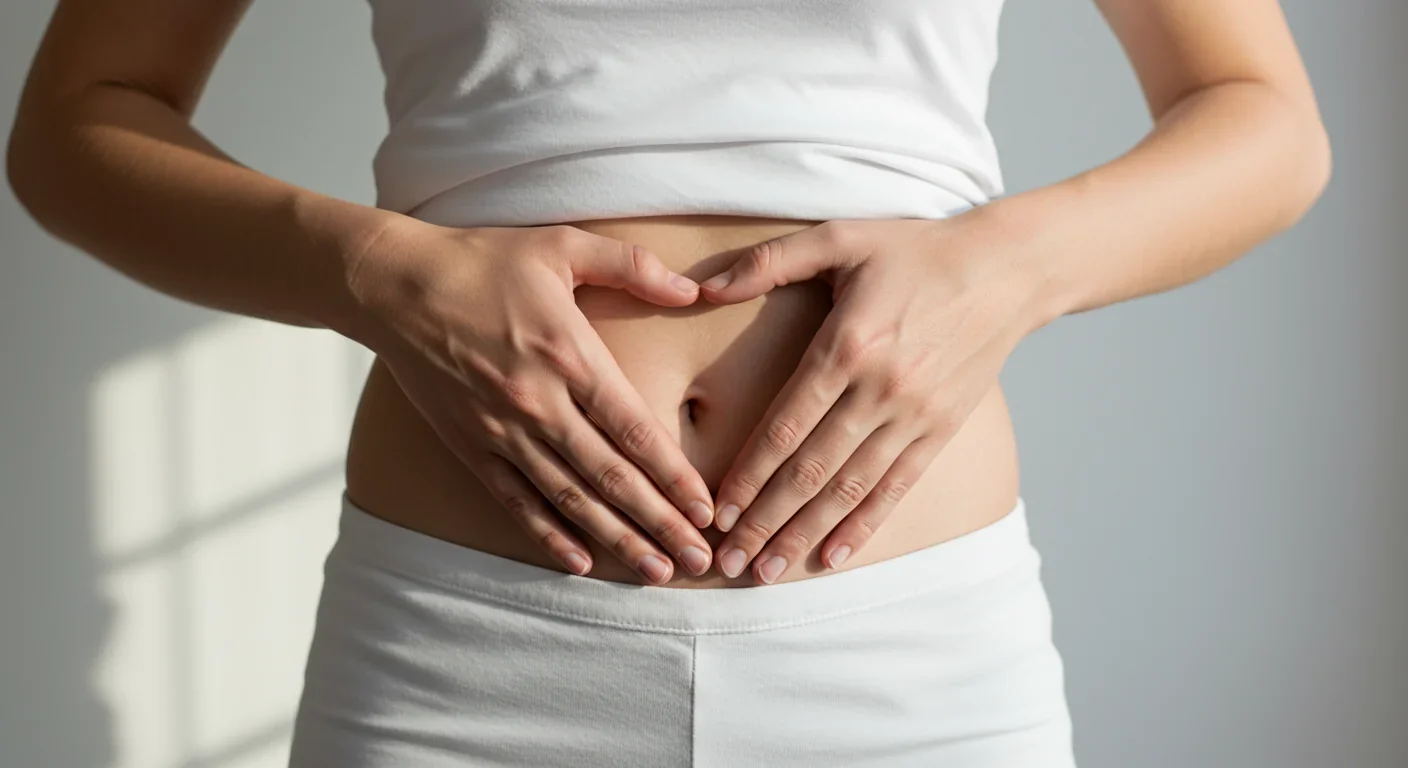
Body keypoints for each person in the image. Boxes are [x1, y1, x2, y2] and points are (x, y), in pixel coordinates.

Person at [7, 0, 1330, 765]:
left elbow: (1260, 114)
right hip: (461, 662)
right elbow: (79, 118)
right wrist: (376, 272)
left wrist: (1006, 267)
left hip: (912, 662)